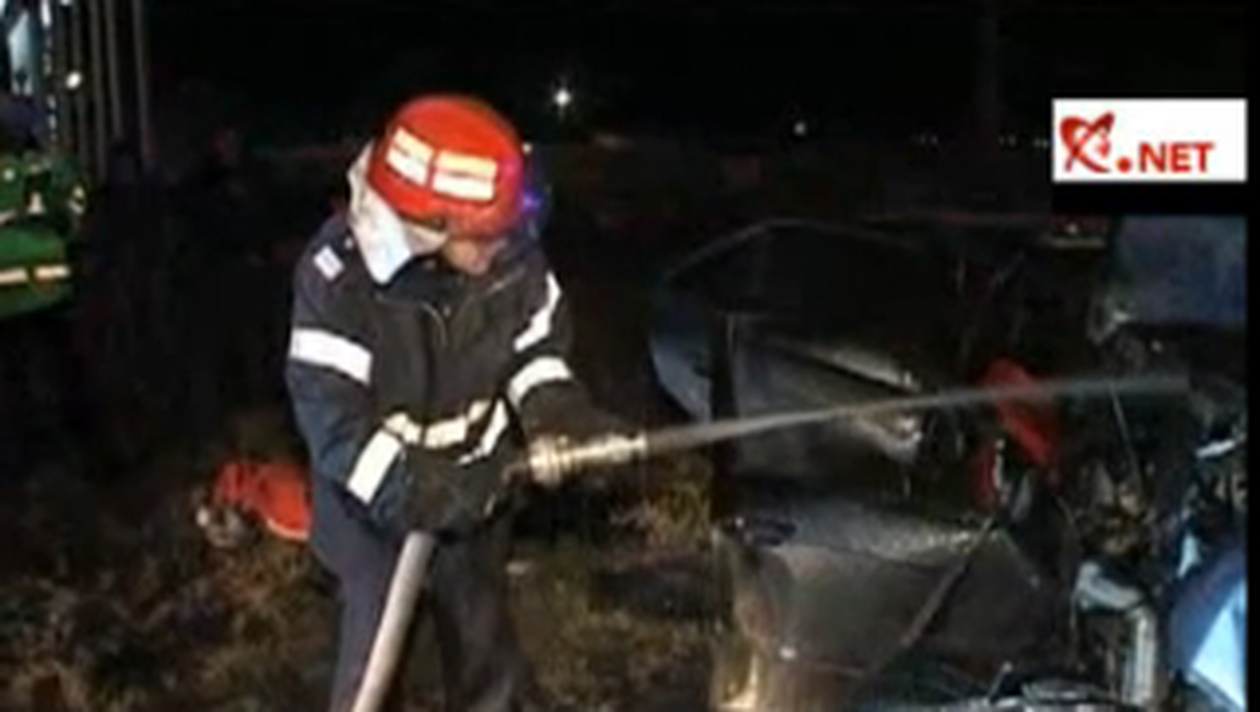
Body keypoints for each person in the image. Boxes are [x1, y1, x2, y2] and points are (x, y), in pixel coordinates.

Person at [284, 95, 627, 712]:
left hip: (477, 498)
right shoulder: (337, 283)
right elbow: (336, 428)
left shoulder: (508, 254)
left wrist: (557, 414)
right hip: (372, 518)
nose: (504, 247)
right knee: (374, 667)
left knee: (482, 641)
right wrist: (427, 492)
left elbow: (535, 350)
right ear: (428, 225)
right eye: (486, 236)